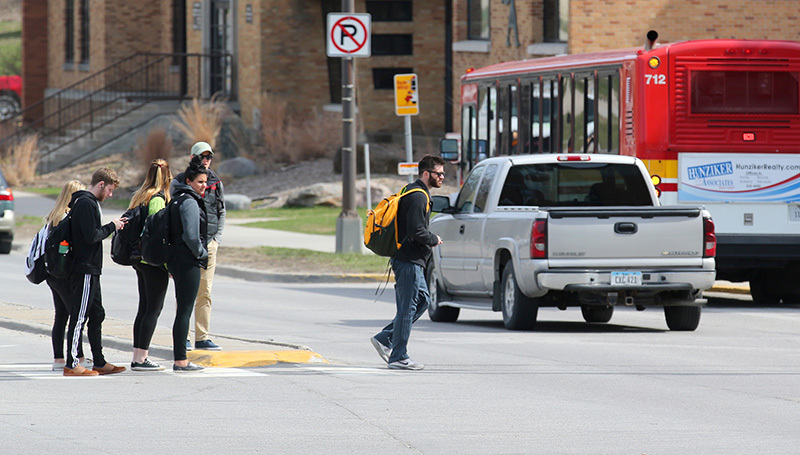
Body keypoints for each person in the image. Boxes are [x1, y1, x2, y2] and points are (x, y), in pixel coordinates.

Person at [371, 154, 446, 370]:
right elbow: (416, 230)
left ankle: (385, 338)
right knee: (406, 308)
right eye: (438, 173)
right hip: (408, 260)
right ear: (426, 173)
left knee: (422, 300)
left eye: (442, 174)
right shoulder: (418, 197)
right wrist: (434, 239)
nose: (442, 177)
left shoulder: (413, 191)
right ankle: (398, 356)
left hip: (413, 260)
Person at [64, 168, 127, 376]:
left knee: (97, 313)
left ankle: (99, 361)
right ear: (101, 184)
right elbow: (91, 236)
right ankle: (72, 364)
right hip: (84, 269)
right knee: (79, 316)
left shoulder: (88, 203)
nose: (110, 195)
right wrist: (112, 226)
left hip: (91, 269)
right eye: (109, 190)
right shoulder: (86, 203)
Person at [172, 141, 225, 351]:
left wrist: (216, 239)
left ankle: (202, 337)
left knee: (205, 291)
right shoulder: (180, 182)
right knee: (185, 293)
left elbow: (222, 211)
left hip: (209, 243)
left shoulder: (216, 182)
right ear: (192, 158)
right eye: (201, 157)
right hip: (186, 246)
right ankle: (182, 336)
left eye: (208, 157)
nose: (205, 160)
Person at [128, 159, 172, 371]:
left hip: (139, 260)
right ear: (168, 177)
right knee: (153, 309)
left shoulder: (139, 196)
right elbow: (158, 233)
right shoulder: (157, 199)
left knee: (143, 308)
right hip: (152, 261)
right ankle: (142, 358)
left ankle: (137, 355)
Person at [44, 180, 91, 371]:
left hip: (52, 272)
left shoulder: (53, 216)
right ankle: (77, 356)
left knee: (61, 315)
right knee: (75, 315)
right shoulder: (67, 217)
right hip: (64, 273)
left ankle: (58, 359)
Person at [168, 157, 209, 372]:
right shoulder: (189, 202)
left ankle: (180, 358)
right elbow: (192, 236)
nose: (204, 186)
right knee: (184, 311)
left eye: (205, 182)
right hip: (187, 261)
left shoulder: (176, 198)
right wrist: (202, 254)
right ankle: (181, 360)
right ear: (189, 180)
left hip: (176, 260)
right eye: (200, 182)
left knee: (182, 310)